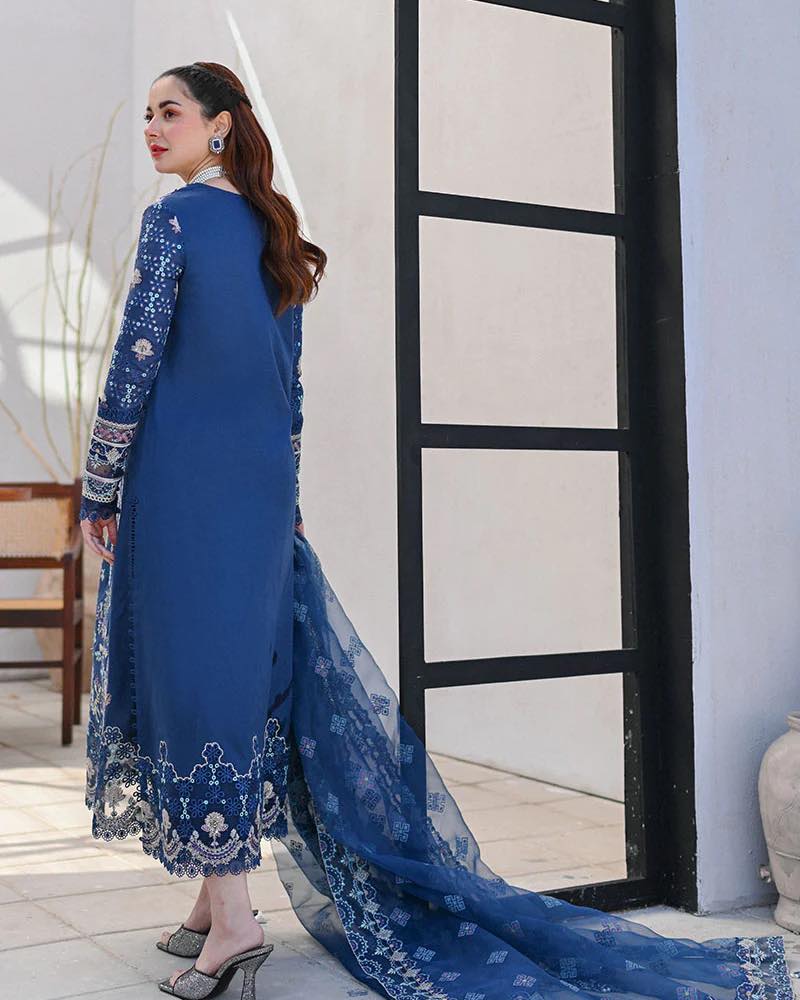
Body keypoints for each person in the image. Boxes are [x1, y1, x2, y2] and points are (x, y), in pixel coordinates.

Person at [80, 62, 792, 1000]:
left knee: (195, 686)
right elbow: (290, 388)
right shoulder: (273, 227)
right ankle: (218, 903)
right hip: (256, 492)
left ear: (219, 127)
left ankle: (238, 922)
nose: (152, 126)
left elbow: (136, 358)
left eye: (168, 111)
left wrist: (98, 484)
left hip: (185, 487)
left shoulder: (173, 220)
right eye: (146, 114)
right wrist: (286, 494)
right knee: (243, 682)